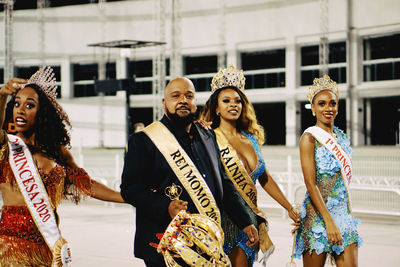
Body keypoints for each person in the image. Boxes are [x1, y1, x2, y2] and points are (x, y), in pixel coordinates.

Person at [120, 77, 259, 267]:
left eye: (189, 96)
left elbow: (223, 183)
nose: (183, 100)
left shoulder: (208, 135)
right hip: (166, 244)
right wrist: (165, 206)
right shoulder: (144, 140)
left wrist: (245, 221)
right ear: (164, 102)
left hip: (205, 244)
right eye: (175, 96)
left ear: (195, 102)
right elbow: (130, 189)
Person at [0, 66, 125, 266]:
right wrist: (2, 96)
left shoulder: (58, 152)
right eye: (16, 104)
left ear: (42, 112)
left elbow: (87, 185)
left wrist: (126, 197)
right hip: (10, 247)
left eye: (29, 105)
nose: (20, 110)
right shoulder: (8, 147)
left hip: (47, 246)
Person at [198, 64, 300, 267]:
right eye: (226, 101)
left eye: (238, 101)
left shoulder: (251, 139)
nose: (233, 105)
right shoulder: (208, 137)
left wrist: (289, 207)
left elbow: (265, 178)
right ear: (216, 108)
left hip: (247, 220)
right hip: (219, 219)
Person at [293, 75, 362, 267]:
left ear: (338, 106)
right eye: (322, 104)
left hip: (343, 215)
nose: (328, 108)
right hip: (317, 216)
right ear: (313, 108)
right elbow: (310, 183)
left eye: (333, 103)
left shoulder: (340, 137)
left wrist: (339, 218)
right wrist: (328, 221)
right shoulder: (309, 138)